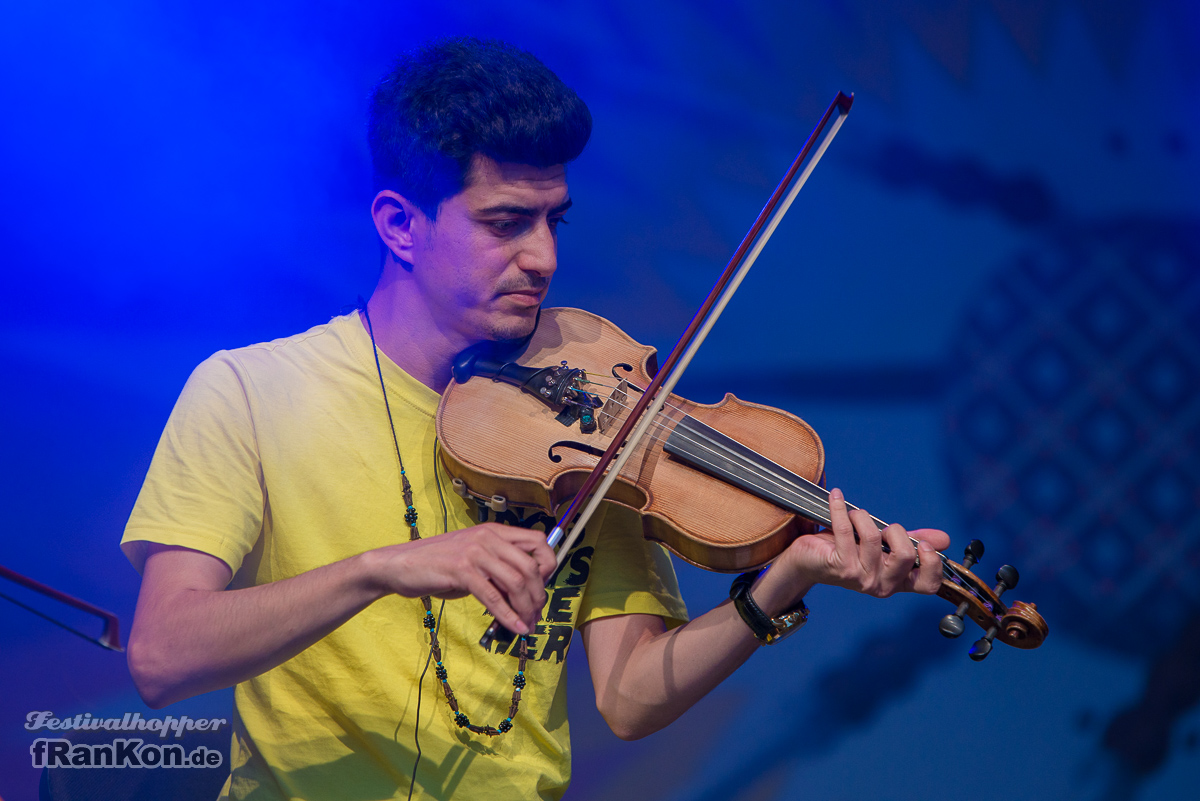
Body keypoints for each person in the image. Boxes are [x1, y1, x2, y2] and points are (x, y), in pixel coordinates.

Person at [122, 37, 950, 801]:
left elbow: (629, 695)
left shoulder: (595, 423)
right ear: (400, 225)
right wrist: (379, 568)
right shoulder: (249, 390)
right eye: (505, 223)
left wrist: (782, 582)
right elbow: (161, 656)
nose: (545, 257)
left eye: (555, 219)